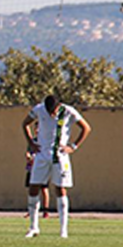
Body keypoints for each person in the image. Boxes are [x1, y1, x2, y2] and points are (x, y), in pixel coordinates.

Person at [22, 95, 91, 238]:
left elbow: (86, 128)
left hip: (60, 156)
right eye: (48, 111)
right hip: (41, 155)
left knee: (60, 189)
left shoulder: (68, 111)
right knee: (34, 188)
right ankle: (33, 227)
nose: (51, 113)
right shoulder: (39, 109)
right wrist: (31, 143)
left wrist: (73, 146)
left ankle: (63, 230)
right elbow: (25, 124)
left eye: (52, 110)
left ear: (58, 106)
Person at [24, 135, 50, 219]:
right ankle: (31, 211)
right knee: (32, 189)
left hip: (43, 167)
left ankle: (45, 211)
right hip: (32, 169)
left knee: (44, 189)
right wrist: (29, 157)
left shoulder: (46, 139)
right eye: (36, 128)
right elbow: (28, 152)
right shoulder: (33, 141)